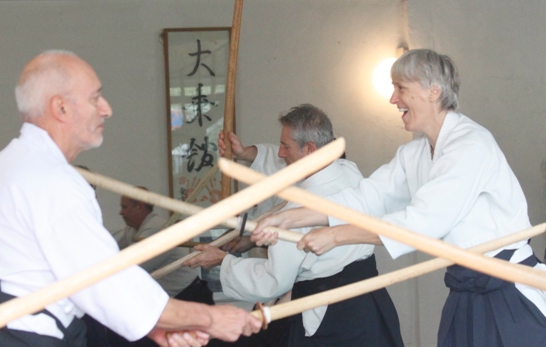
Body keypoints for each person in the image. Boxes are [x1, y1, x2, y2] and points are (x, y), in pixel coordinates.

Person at [0, 50, 260, 347]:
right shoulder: (51, 180)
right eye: (95, 97)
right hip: (19, 336)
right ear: (60, 107)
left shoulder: (4, 164)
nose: (106, 109)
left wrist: (156, 326)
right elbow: (105, 282)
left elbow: (67, 276)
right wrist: (211, 318)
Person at [252, 49, 546, 347]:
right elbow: (366, 197)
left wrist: (337, 235)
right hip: (465, 290)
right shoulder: (414, 153)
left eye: (401, 88)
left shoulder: (471, 145)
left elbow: (422, 223)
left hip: (509, 293)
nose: (393, 99)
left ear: (434, 91)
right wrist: (288, 217)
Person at [186, 104, 404, 347]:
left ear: (309, 149)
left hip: (331, 320)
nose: (280, 153)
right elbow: (291, 167)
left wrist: (222, 261)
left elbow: (272, 280)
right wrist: (247, 153)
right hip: (369, 305)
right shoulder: (346, 170)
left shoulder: (296, 214)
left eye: (285, 146)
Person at [109, 190, 214, 347]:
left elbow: (134, 267)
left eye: (125, 207)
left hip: (189, 297)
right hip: (173, 300)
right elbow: (111, 247)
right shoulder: (133, 230)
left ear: (139, 207)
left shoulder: (157, 228)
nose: (121, 212)